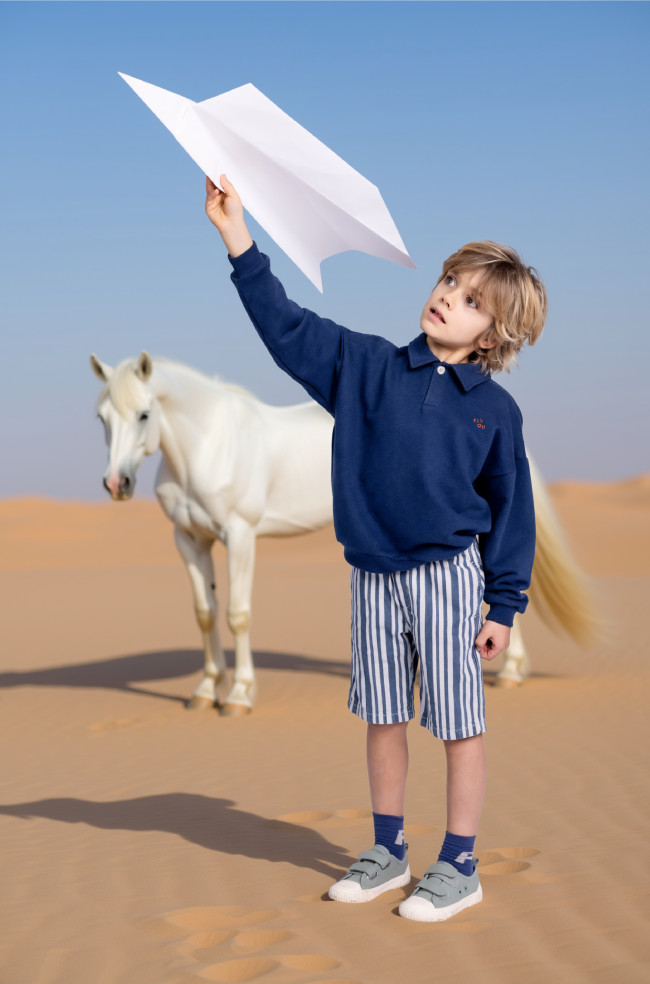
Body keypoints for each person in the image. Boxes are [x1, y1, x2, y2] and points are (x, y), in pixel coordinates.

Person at [205, 173, 546, 923]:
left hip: (451, 579)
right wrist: (237, 236)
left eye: (469, 298)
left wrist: (504, 604)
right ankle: (388, 853)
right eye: (448, 279)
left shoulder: (496, 411)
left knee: (459, 725)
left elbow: (512, 512)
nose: (447, 294)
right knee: (382, 717)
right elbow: (286, 326)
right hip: (372, 577)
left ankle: (460, 863)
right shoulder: (365, 367)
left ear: (490, 335)